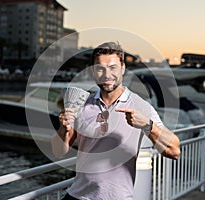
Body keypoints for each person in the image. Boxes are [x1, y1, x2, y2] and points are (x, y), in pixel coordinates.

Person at [52, 41, 180, 200]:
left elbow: (174, 151)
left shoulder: (140, 106)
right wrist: (63, 129)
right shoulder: (82, 105)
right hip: (77, 196)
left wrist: (148, 125)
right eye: (100, 68)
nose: (107, 75)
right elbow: (58, 151)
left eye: (113, 68)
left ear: (123, 69)